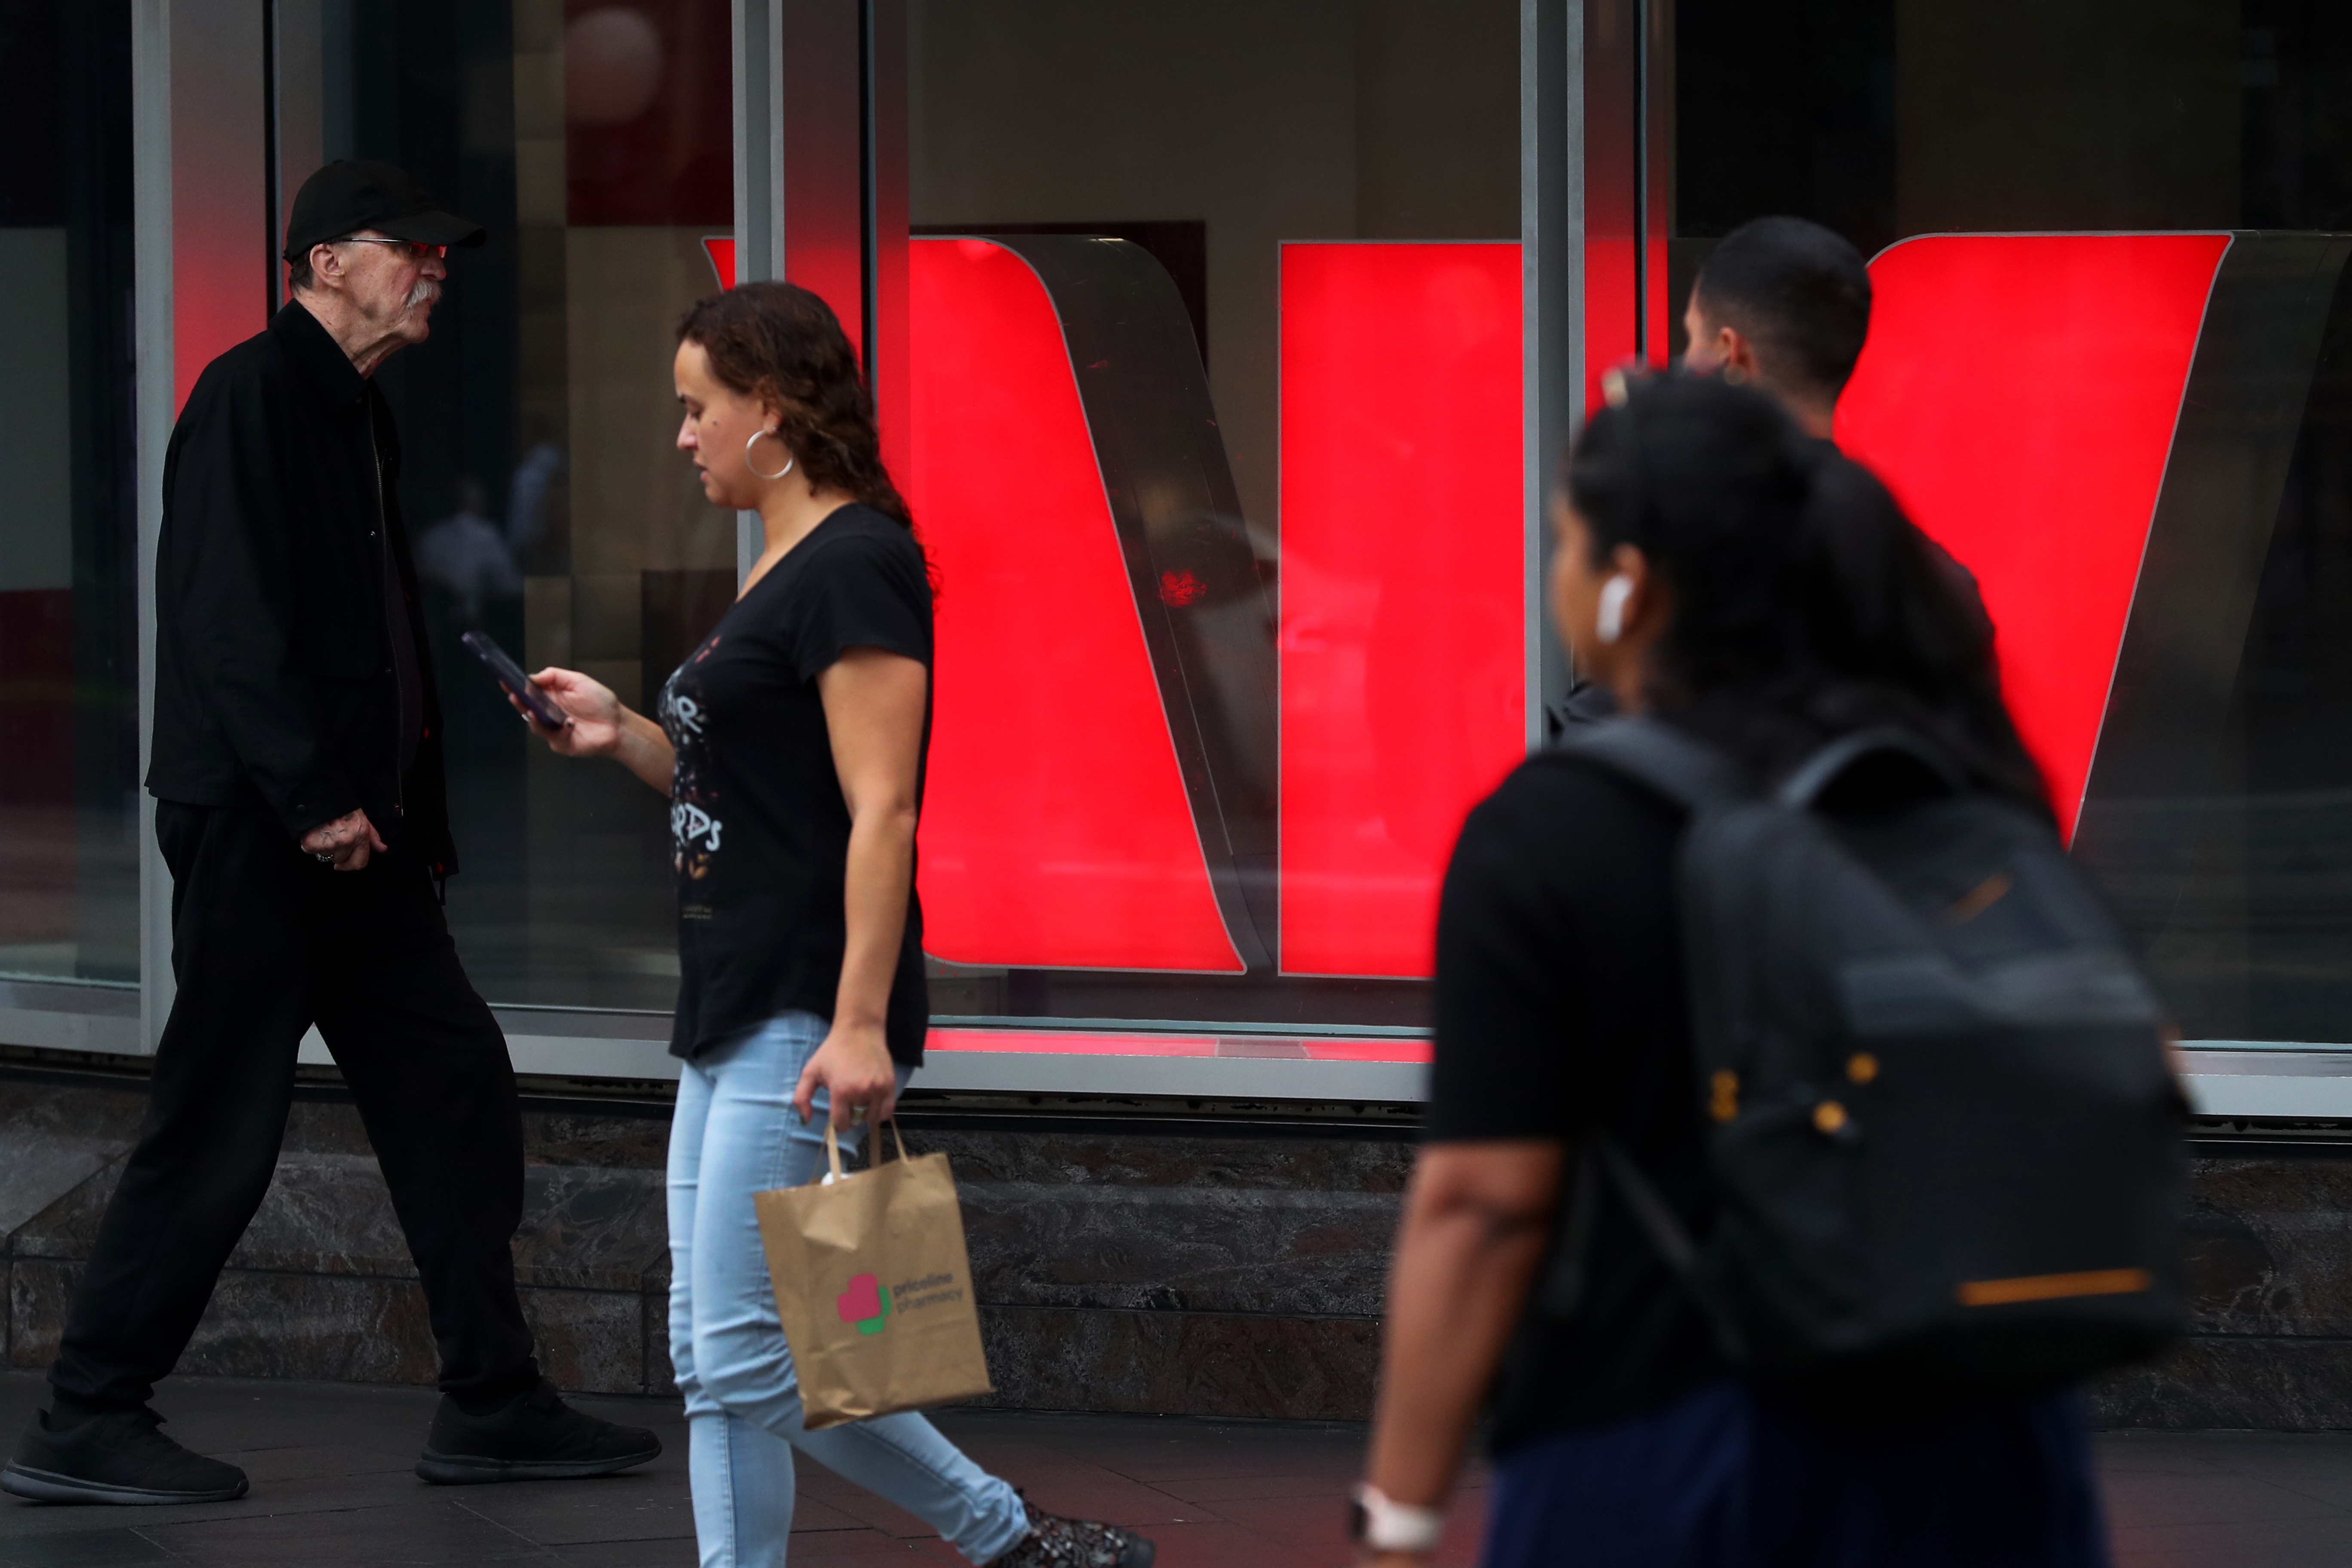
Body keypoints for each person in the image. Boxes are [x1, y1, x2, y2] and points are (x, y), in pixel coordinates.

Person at [1353, 373, 2101, 1568]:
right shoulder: (1946, 779)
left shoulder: (1553, 832)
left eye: (1566, 543)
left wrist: (1398, 1517)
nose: (1556, 580)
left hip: (1669, 1448)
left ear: (1628, 586)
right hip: (1987, 1442)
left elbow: (1483, 1204)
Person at [1, 160, 660, 1508]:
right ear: (321, 263)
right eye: (410, 247)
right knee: (219, 1121)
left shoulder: (352, 410)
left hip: (361, 842)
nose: (435, 271)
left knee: (453, 1081)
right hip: (275, 833)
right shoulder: (250, 393)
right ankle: (86, 1414)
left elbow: (350, 630)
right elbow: (225, 620)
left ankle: (491, 1400)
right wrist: (311, 800)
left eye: (441, 253)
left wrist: (399, 798)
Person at [518, 280, 1153, 1568]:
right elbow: (752, 791)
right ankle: (998, 1545)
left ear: (774, 408)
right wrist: (626, 733)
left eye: (700, 408)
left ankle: (1004, 1536)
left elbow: (884, 812)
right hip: (734, 992)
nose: (684, 437)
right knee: (719, 1358)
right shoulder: (783, 565)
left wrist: (862, 1026)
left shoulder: (858, 563)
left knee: (745, 1353)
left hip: (805, 1004)